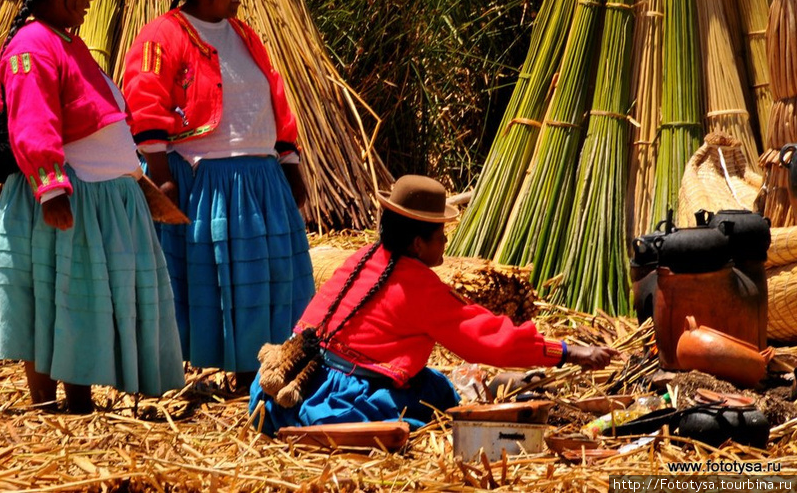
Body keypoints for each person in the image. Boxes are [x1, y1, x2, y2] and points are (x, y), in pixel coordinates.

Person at [0, 0, 185, 413]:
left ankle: (78, 400)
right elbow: (32, 123)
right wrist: (51, 190)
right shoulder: (33, 46)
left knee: (78, 304)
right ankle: (49, 405)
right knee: (53, 299)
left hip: (93, 196)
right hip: (62, 198)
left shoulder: (66, 40)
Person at [248, 175, 618, 435]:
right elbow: (485, 337)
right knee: (437, 394)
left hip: (289, 387)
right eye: (440, 235)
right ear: (416, 244)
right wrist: (566, 351)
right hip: (339, 400)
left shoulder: (362, 258)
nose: (445, 242)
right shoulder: (418, 286)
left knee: (431, 378)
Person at [122, 0, 314, 387]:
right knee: (217, 279)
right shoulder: (162, 37)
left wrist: (288, 162)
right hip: (206, 181)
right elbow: (144, 100)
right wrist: (162, 173)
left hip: (261, 178)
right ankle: (217, 364)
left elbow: (274, 99)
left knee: (267, 276)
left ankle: (264, 369)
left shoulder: (245, 35)